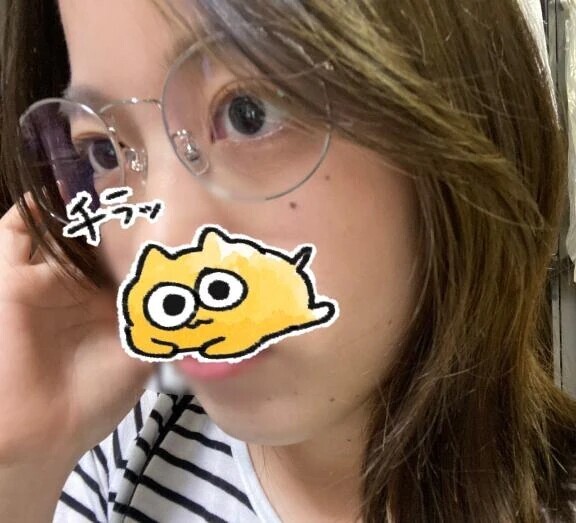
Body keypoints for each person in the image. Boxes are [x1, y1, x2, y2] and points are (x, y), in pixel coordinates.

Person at [0, 0, 575, 521]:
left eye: (248, 112)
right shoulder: (112, 457)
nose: (160, 247)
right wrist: (23, 470)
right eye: (103, 151)